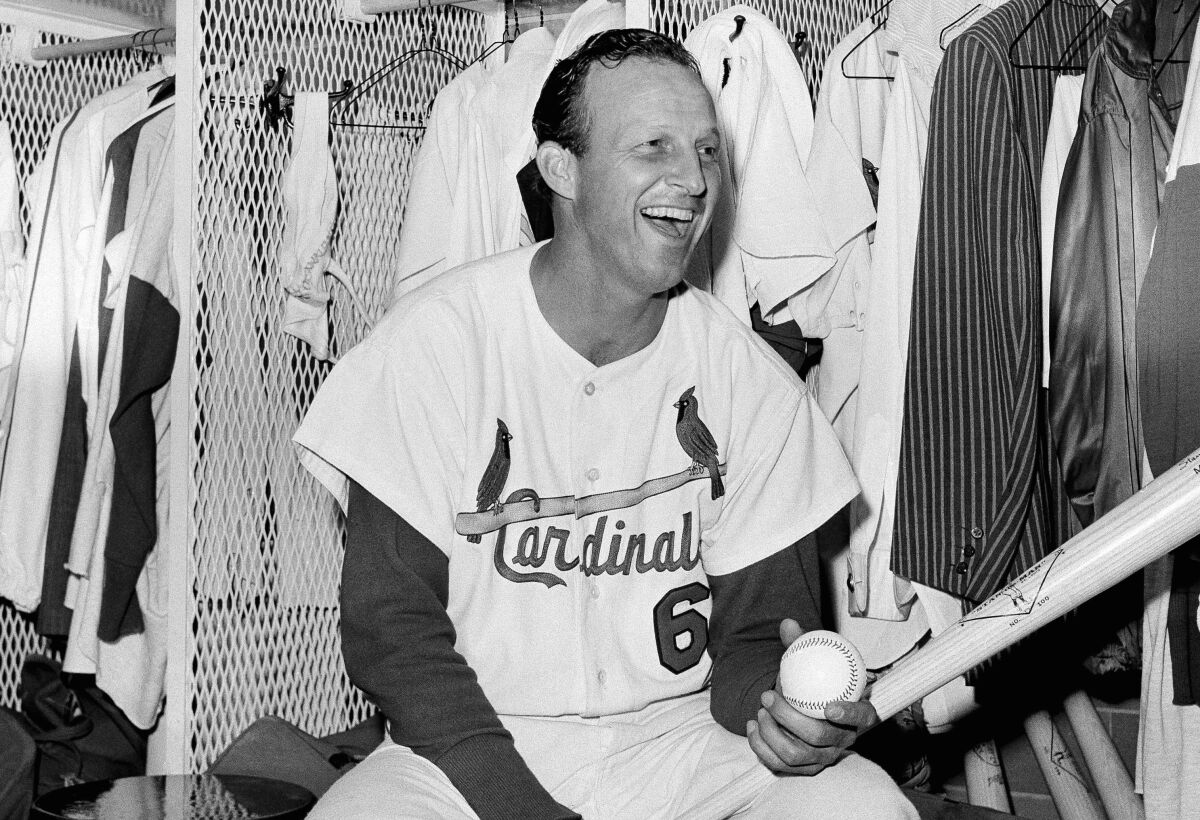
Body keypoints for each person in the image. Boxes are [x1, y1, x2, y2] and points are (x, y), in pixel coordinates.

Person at [294, 28, 917, 819]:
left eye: (706, 150)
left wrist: (790, 715)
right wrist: (522, 807)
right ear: (561, 167)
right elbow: (393, 635)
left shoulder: (749, 380)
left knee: (861, 809)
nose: (692, 179)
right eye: (653, 146)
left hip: (680, 740)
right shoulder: (434, 345)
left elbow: (755, 642)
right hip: (462, 747)